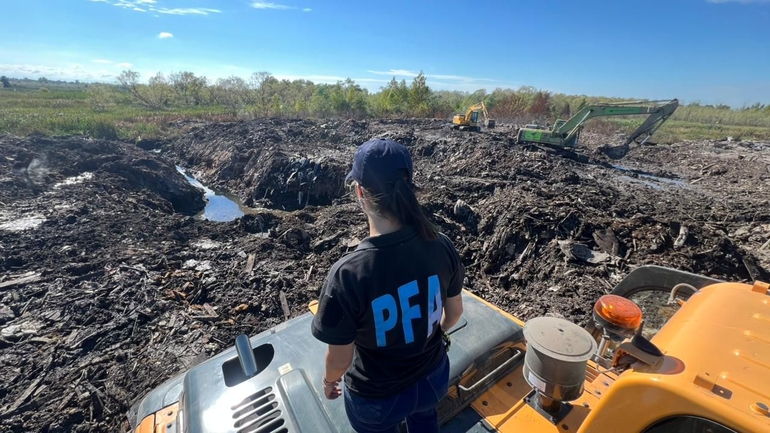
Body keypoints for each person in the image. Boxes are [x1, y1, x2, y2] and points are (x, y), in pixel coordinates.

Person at [311, 138, 465, 433]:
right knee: (424, 419)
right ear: (408, 184)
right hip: (433, 379)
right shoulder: (442, 246)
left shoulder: (347, 275)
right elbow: (455, 313)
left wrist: (329, 381)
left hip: (378, 400)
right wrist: (432, 335)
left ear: (359, 192)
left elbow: (340, 359)